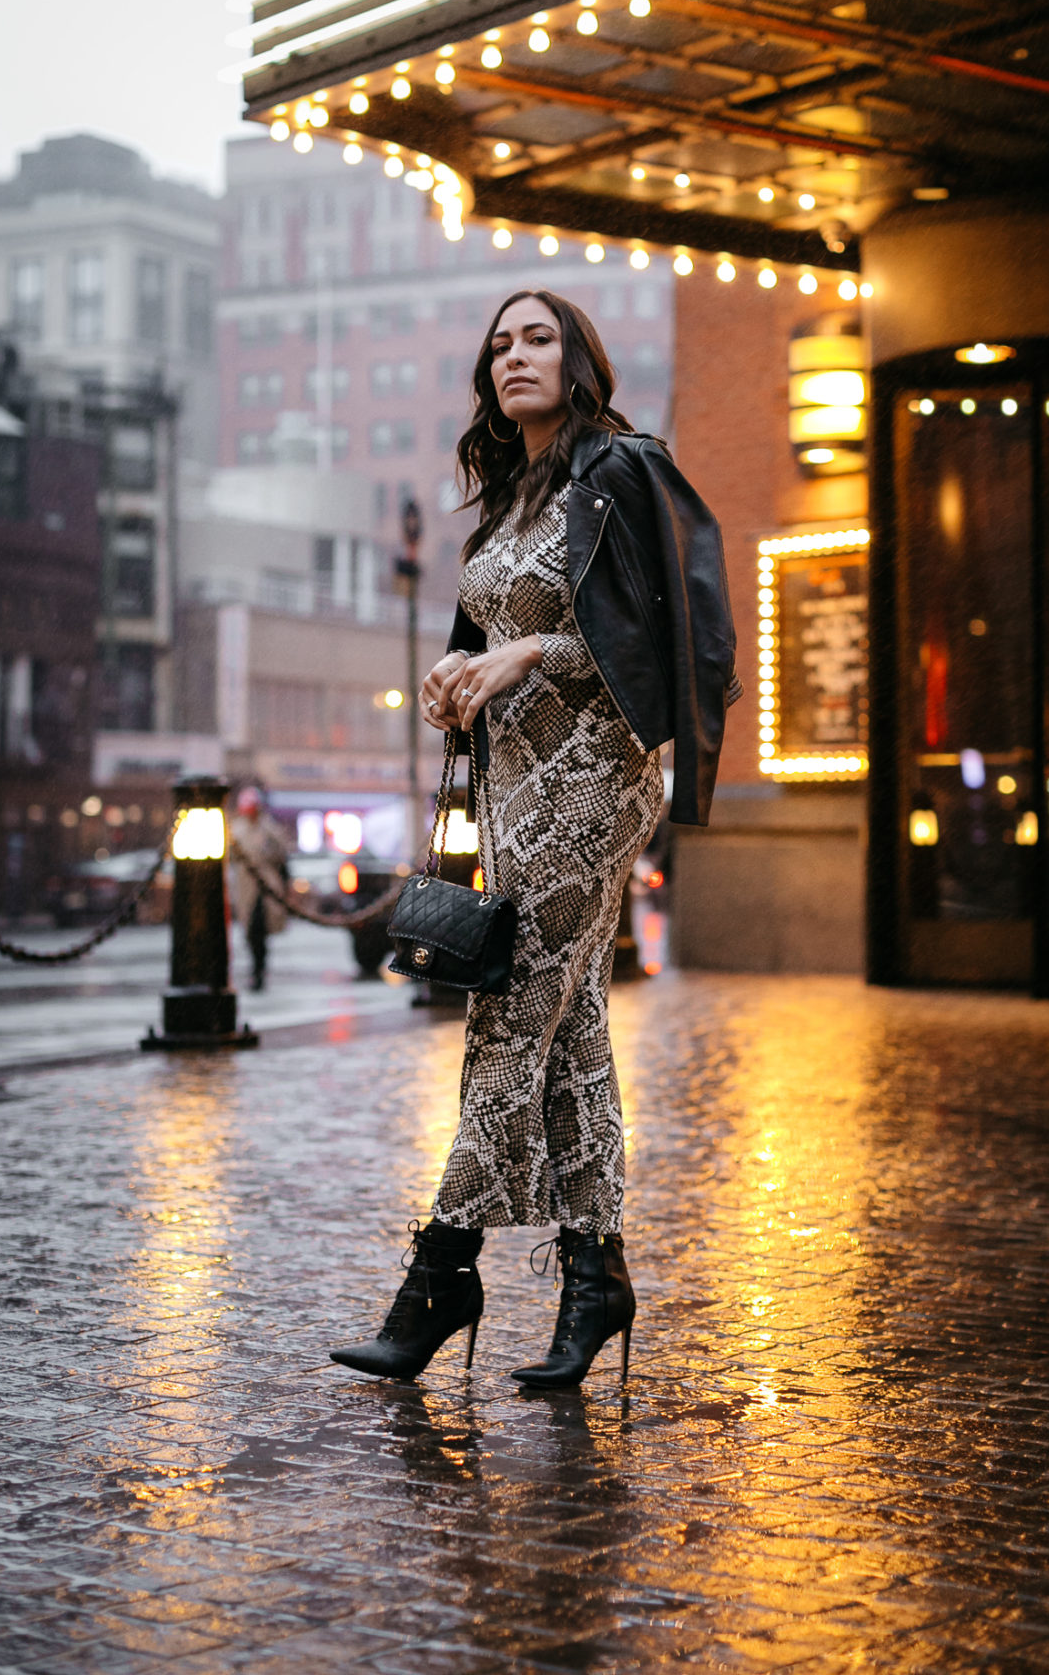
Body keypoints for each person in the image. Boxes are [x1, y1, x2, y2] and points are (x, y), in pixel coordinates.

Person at [331, 287, 740, 1389]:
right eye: (500, 345)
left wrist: (530, 655)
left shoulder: (624, 469)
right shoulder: (512, 493)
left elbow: (680, 632)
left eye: (539, 339)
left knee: (509, 1016)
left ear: (578, 359)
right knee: (572, 1031)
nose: (515, 357)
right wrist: (457, 671)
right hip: (514, 787)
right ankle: (596, 1277)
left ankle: (442, 1272)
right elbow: (500, 625)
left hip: (594, 781)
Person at [229, 787, 290, 991]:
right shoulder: (237, 831)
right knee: (250, 929)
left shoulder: (269, 829)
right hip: (246, 886)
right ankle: (256, 969)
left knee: (260, 928)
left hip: (265, 887)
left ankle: (259, 969)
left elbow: (281, 856)